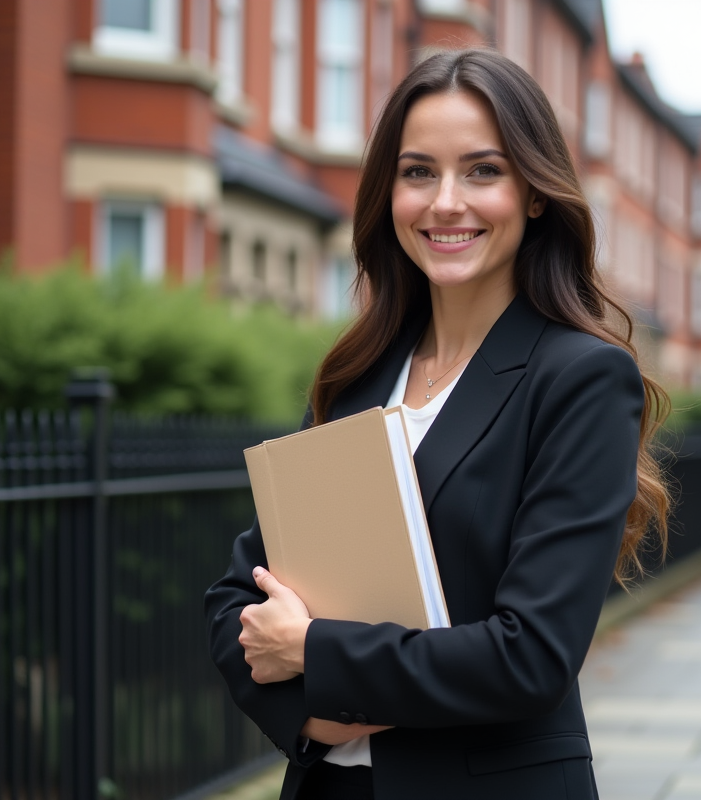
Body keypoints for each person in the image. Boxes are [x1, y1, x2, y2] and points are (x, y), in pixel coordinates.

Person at [204, 48, 670, 800]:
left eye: (483, 171)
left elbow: (532, 657)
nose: (446, 202)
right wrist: (309, 718)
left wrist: (317, 653)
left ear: (534, 194)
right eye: (418, 172)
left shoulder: (579, 378)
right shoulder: (356, 374)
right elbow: (237, 597)